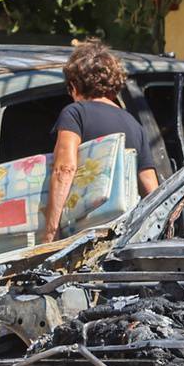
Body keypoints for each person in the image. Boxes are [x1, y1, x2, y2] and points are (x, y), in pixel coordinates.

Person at [38, 41, 159, 243]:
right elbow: (152, 189)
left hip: (83, 236)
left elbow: (64, 169)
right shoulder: (134, 124)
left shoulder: (75, 113)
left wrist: (51, 232)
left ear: (74, 85)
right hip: (122, 236)